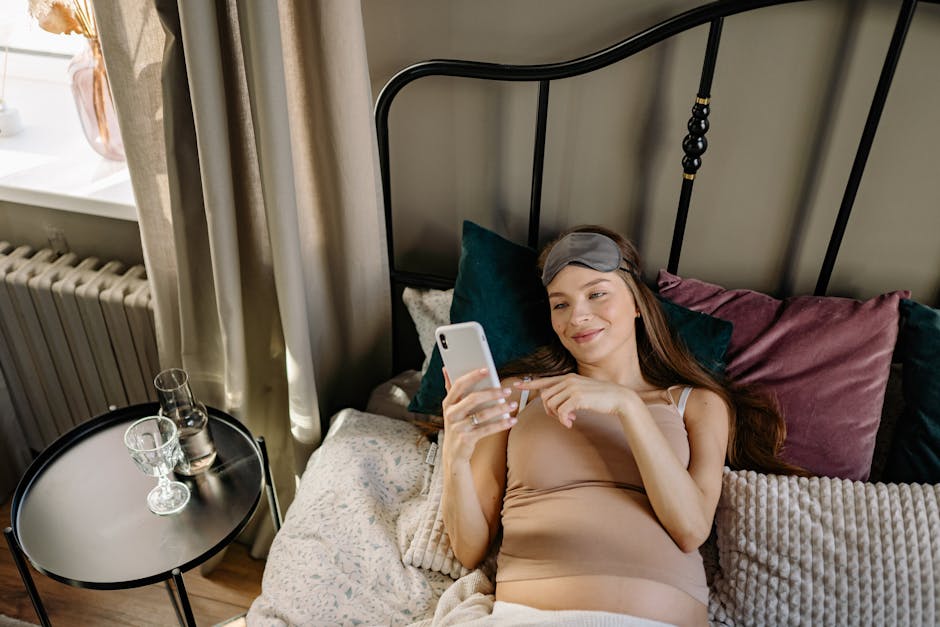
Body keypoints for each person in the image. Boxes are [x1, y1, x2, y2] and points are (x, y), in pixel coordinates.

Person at [438, 225, 806, 627]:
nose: (577, 316)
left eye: (597, 293)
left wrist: (627, 406)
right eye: (560, 304)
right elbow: (469, 550)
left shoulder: (694, 403)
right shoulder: (519, 395)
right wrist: (455, 455)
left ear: (635, 302)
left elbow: (690, 530)